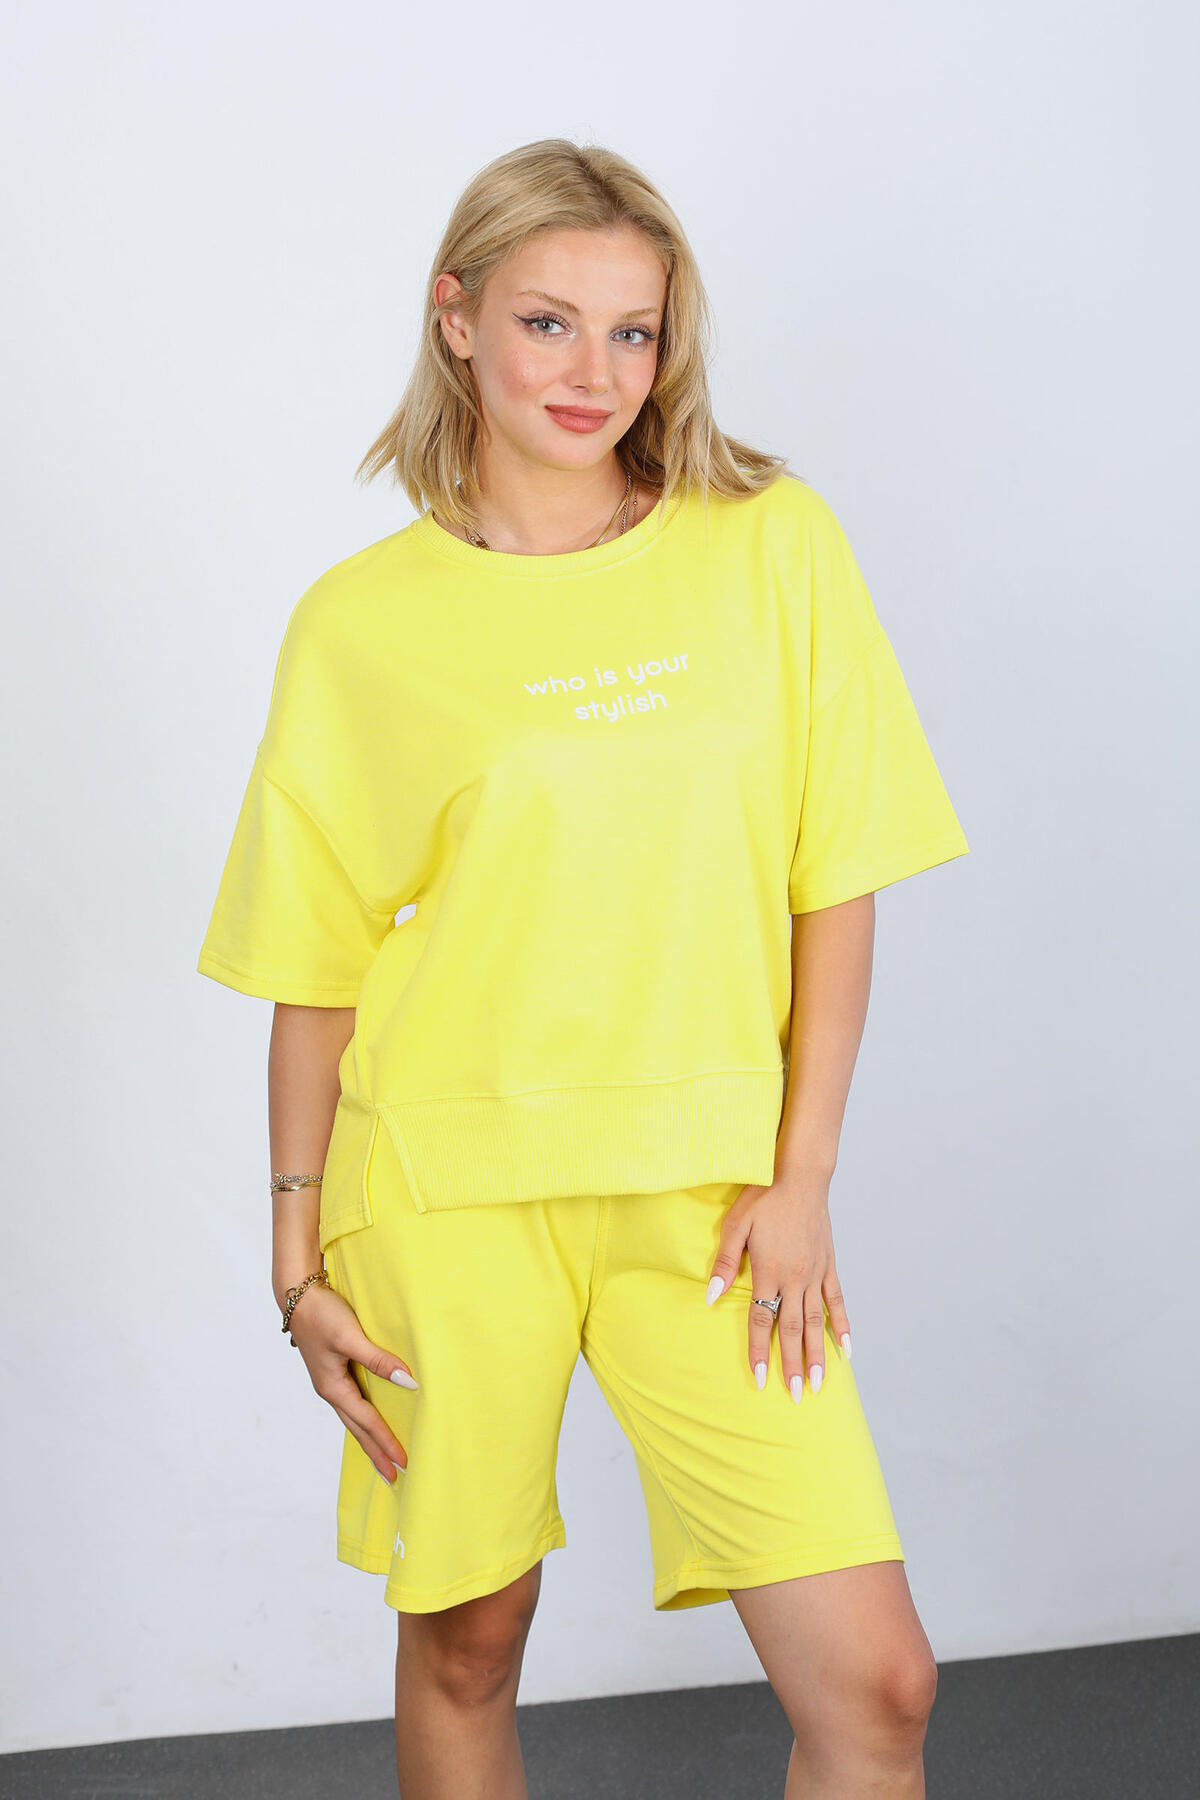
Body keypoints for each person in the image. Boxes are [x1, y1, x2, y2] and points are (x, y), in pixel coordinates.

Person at [197, 137, 970, 1800]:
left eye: (636, 332)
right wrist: (293, 1259)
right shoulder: (362, 622)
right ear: (456, 317)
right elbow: (314, 968)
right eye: (549, 322)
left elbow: (836, 878)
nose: (595, 373)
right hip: (447, 1187)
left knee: (878, 1685)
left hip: (714, 1192)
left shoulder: (771, 547)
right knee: (469, 1641)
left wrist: (804, 1176)